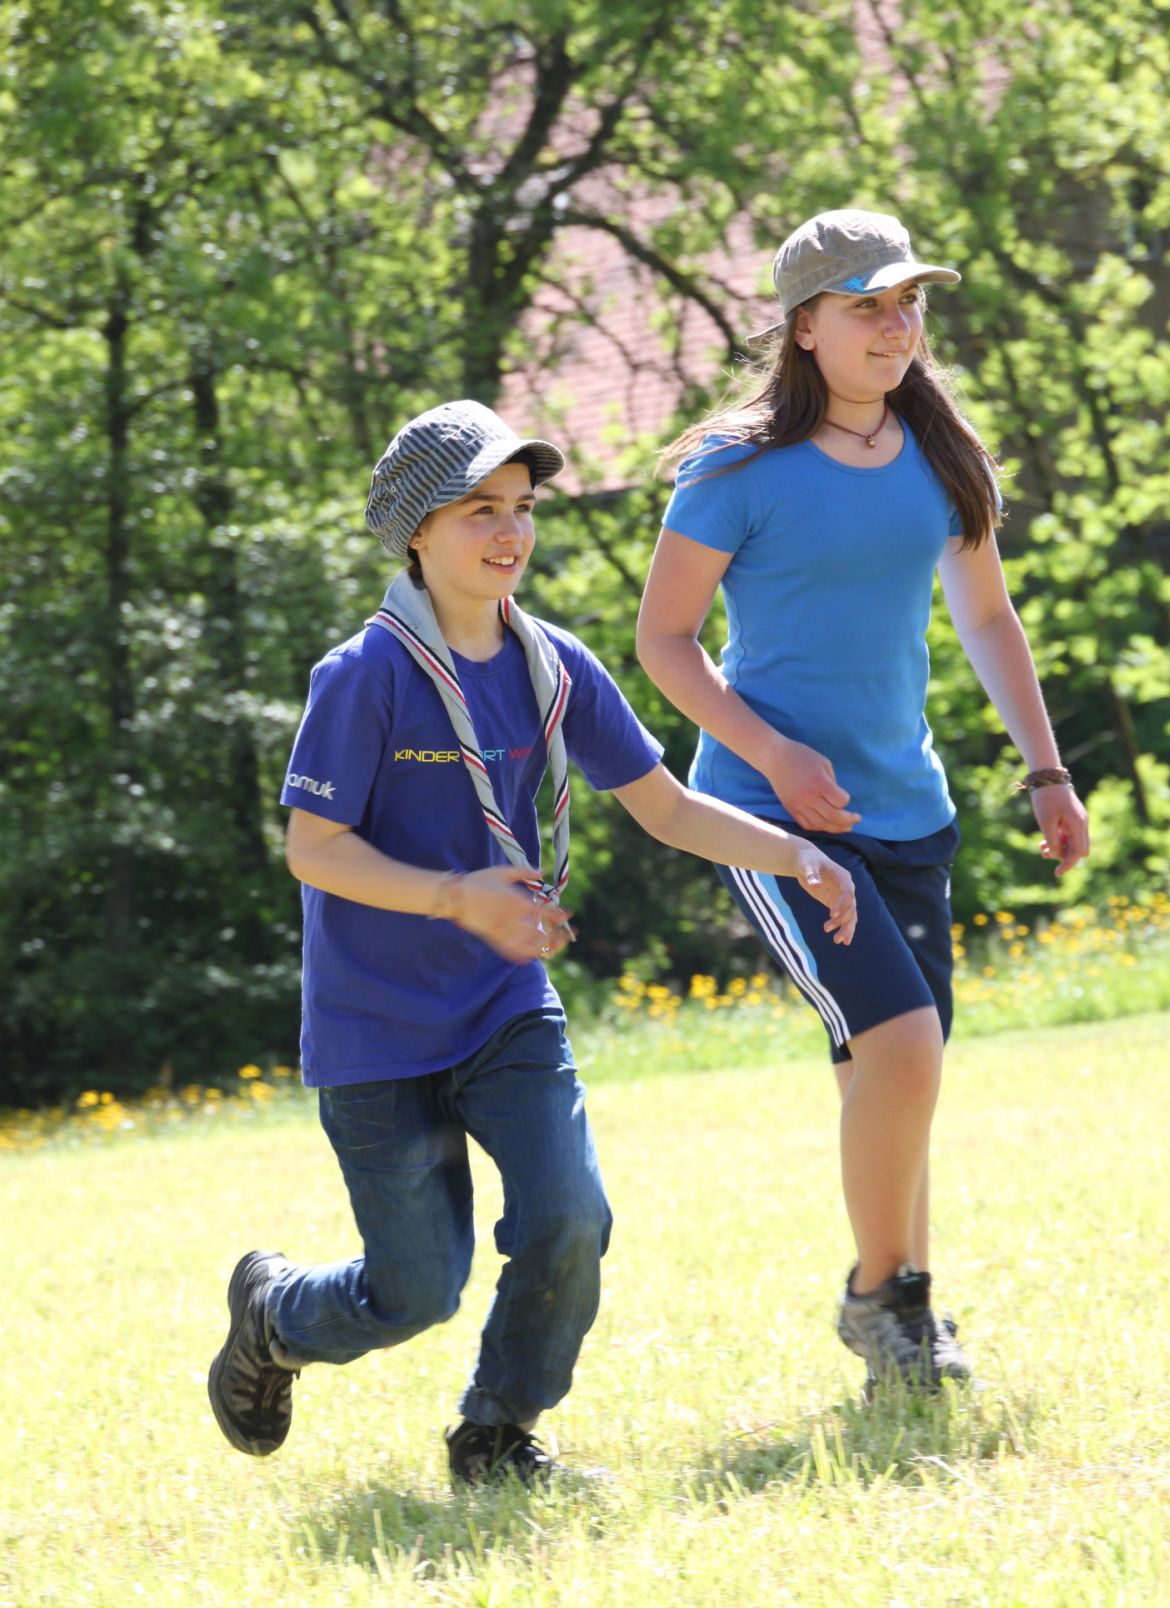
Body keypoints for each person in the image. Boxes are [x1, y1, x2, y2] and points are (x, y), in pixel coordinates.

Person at [207, 399, 857, 1483]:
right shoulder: (363, 676)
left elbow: (664, 806)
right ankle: (275, 1317)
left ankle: (497, 1432)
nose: (509, 530)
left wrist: (795, 853)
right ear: (417, 531)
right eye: (479, 510)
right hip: (375, 1028)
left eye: (521, 507)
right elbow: (313, 850)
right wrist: (457, 896)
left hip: (505, 1007)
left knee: (568, 1216)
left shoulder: (556, 666)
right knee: (415, 1290)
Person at [636, 208, 1089, 1395]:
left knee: (892, 1070)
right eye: (866, 307)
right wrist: (774, 755)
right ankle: (878, 1300)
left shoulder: (940, 455)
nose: (896, 327)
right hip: (770, 814)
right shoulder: (734, 470)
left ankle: (908, 1320)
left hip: (907, 810)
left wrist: (1045, 769)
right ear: (804, 329)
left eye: (908, 303)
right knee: (903, 1048)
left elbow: (985, 615)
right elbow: (665, 641)